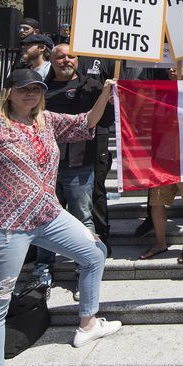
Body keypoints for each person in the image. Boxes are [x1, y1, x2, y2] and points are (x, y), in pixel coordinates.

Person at [0, 68, 118, 366]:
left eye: (37, 89)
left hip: (47, 215)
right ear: (9, 91)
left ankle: (87, 323)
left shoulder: (46, 120)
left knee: (94, 253)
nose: (31, 94)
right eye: (24, 89)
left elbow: (84, 123)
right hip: (5, 224)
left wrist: (105, 94)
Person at [33, 44, 115, 287]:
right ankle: (43, 269)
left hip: (80, 163)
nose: (66, 60)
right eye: (60, 57)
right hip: (44, 165)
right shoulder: (39, 89)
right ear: (51, 59)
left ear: (79, 60)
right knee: (44, 218)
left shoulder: (92, 87)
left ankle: (85, 267)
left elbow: (106, 121)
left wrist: (109, 98)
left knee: (83, 216)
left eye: (71, 56)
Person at [138, 64, 183, 264]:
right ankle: (160, 242)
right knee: (157, 201)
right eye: (171, 67)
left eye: (179, 66)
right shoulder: (161, 91)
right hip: (163, 155)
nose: (173, 70)